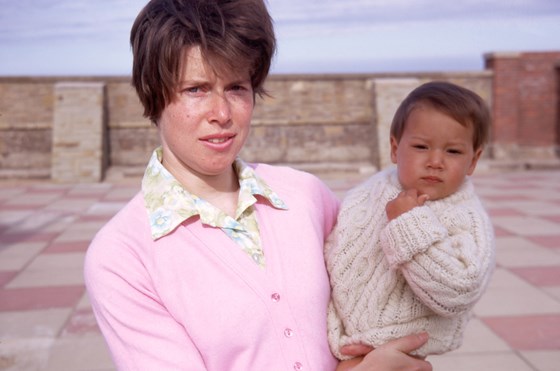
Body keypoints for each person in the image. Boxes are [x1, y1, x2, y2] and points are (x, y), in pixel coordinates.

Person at [84, 0, 432, 370]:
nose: (222, 114)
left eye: (236, 87)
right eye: (196, 89)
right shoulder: (120, 257)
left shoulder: (305, 195)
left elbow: (375, 298)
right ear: (153, 91)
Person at [325, 81, 496, 361]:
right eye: (421, 146)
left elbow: (459, 291)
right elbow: (338, 249)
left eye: (453, 151)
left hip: (403, 352)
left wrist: (408, 223)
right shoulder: (370, 191)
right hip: (341, 342)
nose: (435, 161)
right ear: (395, 148)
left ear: (473, 160)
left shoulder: (466, 218)